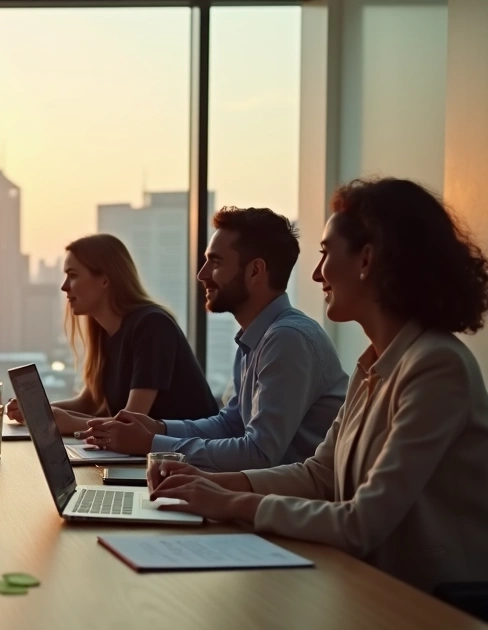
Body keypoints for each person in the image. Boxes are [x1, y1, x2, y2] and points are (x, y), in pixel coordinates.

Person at [151, 178, 488, 592]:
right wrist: (205, 483)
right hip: (368, 583)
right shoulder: (376, 365)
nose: (314, 274)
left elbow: (360, 522)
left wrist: (231, 502)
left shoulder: (437, 366)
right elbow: (319, 475)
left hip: (429, 603)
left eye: (326, 253)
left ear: (366, 259)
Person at [81, 208, 347, 470]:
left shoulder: (288, 340)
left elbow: (259, 453)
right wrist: (159, 427)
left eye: (216, 262)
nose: (202, 274)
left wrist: (152, 443)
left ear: (255, 271)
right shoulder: (256, 339)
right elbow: (230, 424)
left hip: (286, 505)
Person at [8, 234, 217, 433]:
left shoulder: (153, 326)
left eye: (72, 275)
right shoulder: (104, 332)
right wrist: (34, 410)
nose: (64, 287)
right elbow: (89, 401)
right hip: (148, 456)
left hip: (188, 459)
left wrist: (70, 423)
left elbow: (131, 422)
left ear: (105, 280)